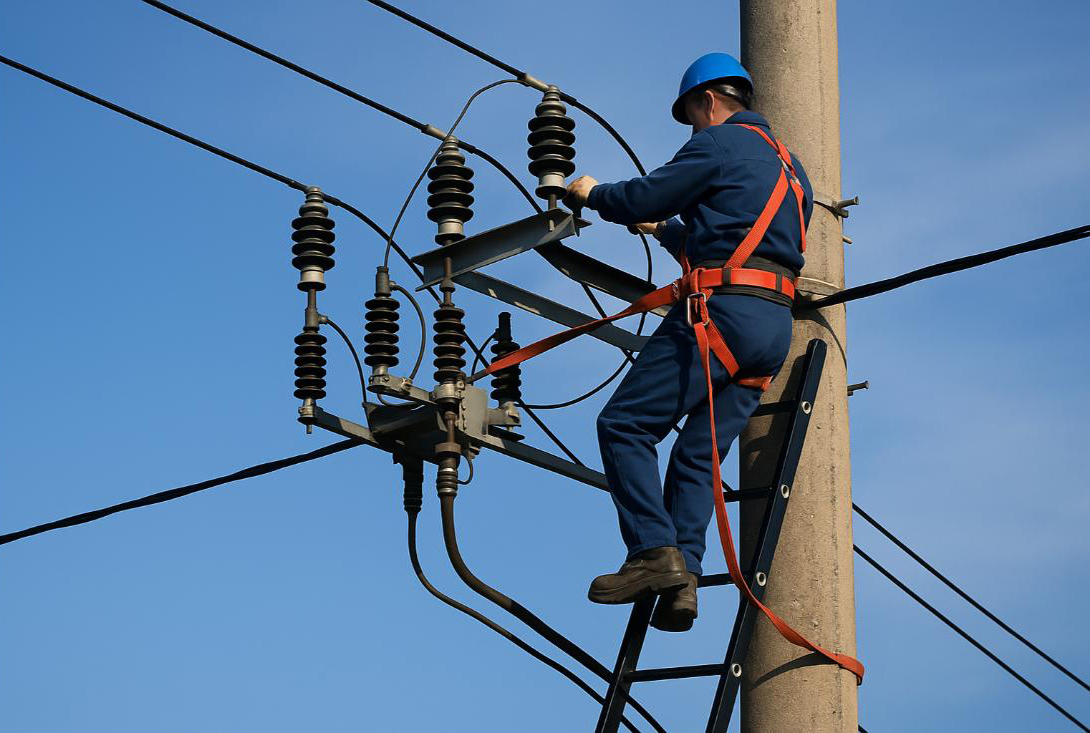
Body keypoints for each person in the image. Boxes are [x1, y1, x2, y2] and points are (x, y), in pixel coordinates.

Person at [563, 52, 813, 632]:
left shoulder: (720, 143)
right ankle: (685, 581)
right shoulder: (792, 168)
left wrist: (593, 193)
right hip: (770, 329)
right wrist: (667, 232)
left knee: (624, 424)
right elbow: (739, 243)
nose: (693, 131)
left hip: (720, 315)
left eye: (692, 118)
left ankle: (654, 551)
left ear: (708, 101)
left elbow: (641, 196)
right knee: (699, 455)